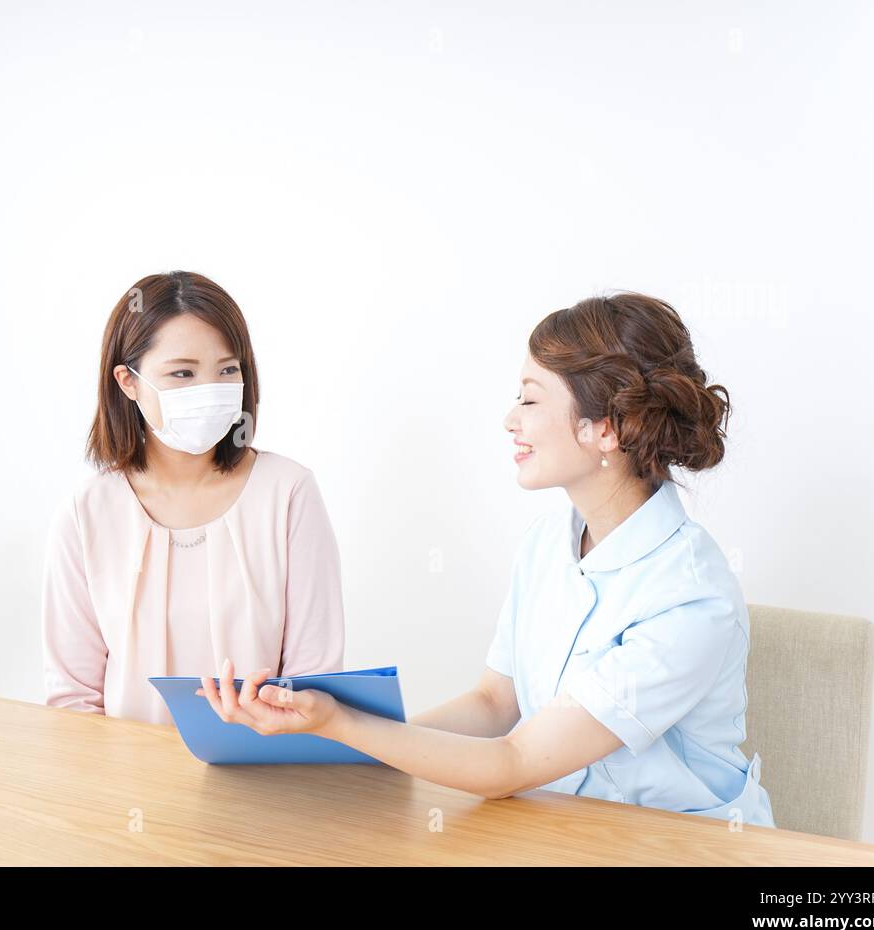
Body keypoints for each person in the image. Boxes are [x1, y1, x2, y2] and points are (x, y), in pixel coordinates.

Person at [199, 292, 776, 828]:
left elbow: (512, 763)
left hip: (680, 847)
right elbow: (496, 704)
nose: (510, 420)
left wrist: (341, 725)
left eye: (529, 398)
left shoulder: (692, 596)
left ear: (606, 428)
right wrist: (346, 745)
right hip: (564, 830)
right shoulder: (547, 543)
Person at [41, 270, 346, 725]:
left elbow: (314, 687)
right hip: (122, 786)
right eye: (183, 373)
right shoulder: (87, 514)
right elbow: (72, 701)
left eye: (227, 370)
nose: (210, 391)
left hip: (266, 781)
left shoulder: (289, 493)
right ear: (128, 382)